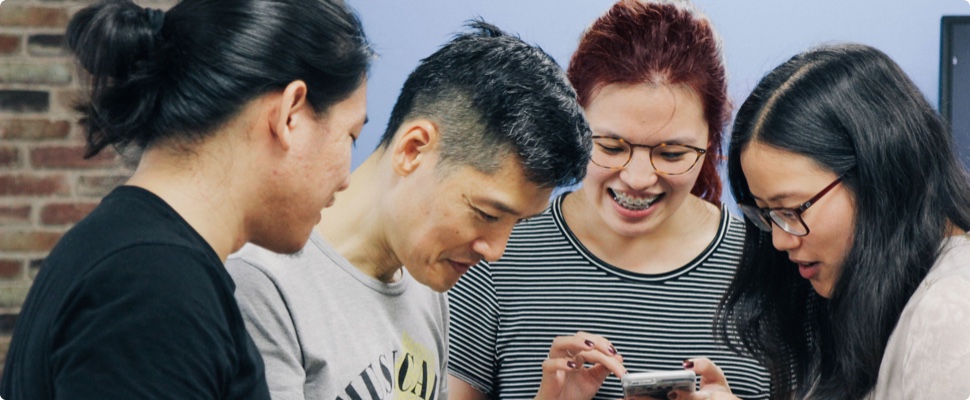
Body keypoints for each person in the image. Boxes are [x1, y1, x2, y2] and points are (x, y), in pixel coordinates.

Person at [0, 0, 372, 399]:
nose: (346, 180)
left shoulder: (137, 260)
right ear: (289, 115)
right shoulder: (154, 289)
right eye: (350, 137)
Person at [225, 21, 592, 400]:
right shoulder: (260, 281)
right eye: (487, 213)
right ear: (413, 149)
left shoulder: (426, 285)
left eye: (519, 223)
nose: (496, 251)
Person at [446, 1, 771, 399]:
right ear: (574, 126)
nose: (637, 179)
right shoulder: (494, 253)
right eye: (611, 147)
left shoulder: (771, 263)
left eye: (672, 154)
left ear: (711, 141)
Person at [679, 44, 970, 400]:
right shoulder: (877, 296)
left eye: (792, 210)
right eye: (767, 214)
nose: (780, 241)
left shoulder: (952, 311)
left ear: (877, 177)